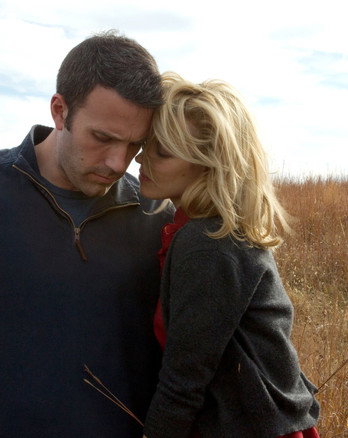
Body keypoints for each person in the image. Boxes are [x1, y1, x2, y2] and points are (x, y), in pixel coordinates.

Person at [0, 31, 174, 437]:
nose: (117, 162)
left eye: (134, 146)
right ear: (60, 110)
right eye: (103, 138)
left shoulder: (156, 217)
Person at [136, 73, 320, 438]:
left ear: (208, 164)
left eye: (163, 151)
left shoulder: (208, 242)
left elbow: (183, 384)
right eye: (146, 145)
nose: (141, 157)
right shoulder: (211, 229)